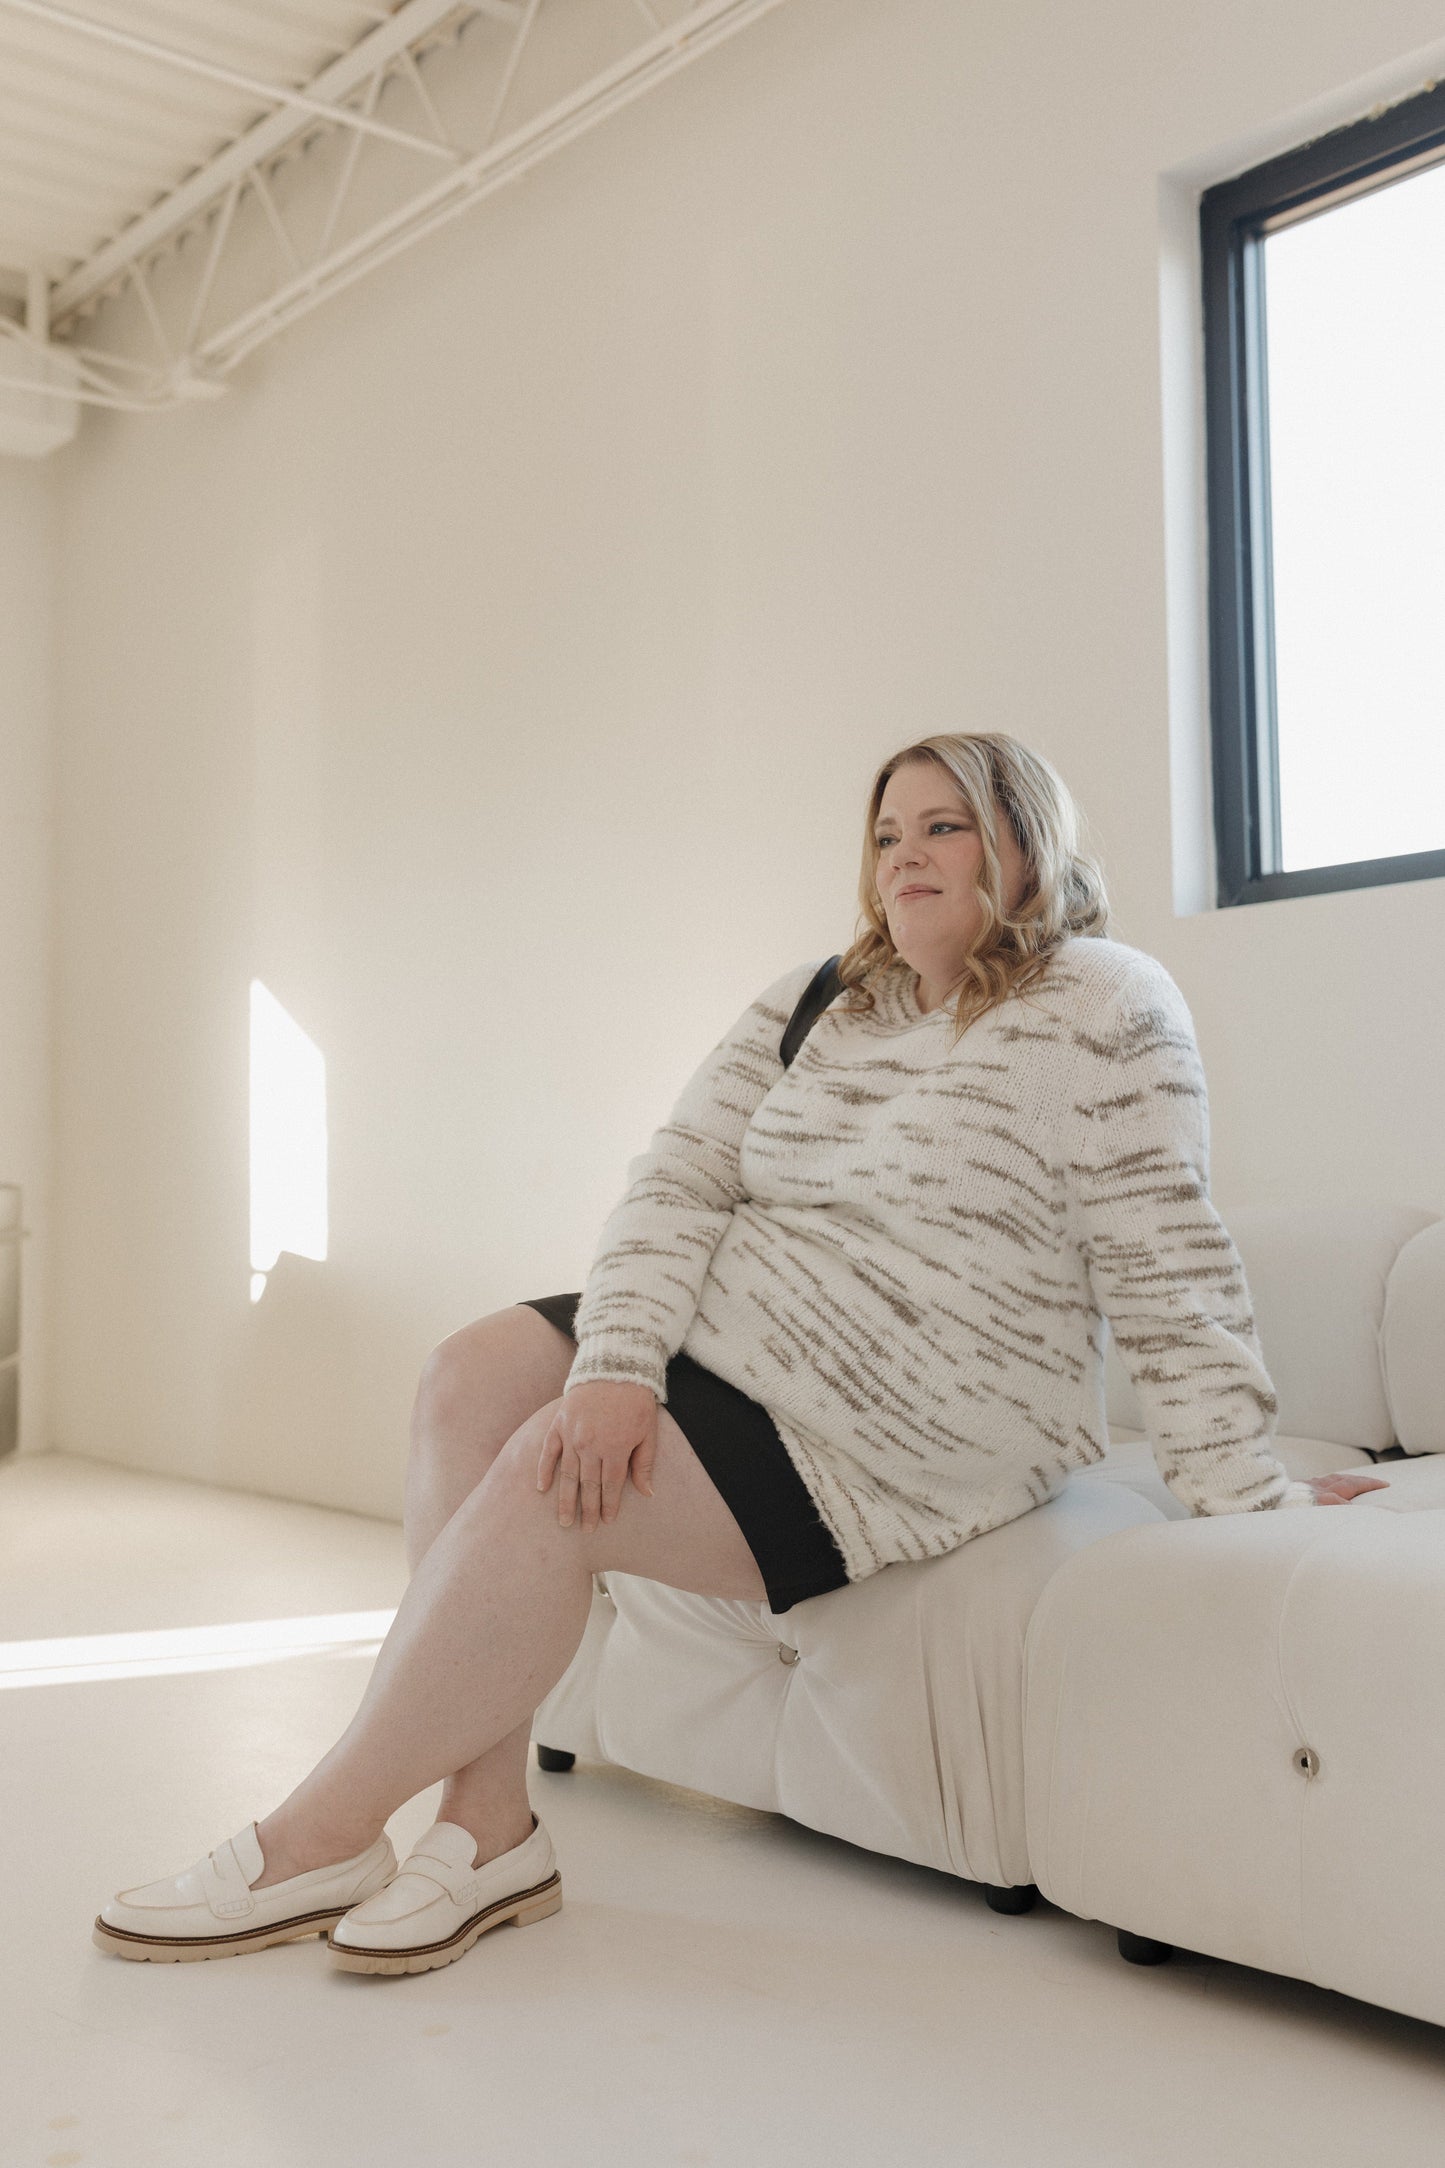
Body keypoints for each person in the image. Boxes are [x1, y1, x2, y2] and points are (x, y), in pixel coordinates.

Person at [94, 730, 1388, 1975]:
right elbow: (679, 1184)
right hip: (733, 1337)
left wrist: (1244, 1488)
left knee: (558, 1477)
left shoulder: (1105, 1003)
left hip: (911, 1424)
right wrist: (615, 1366)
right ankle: (488, 1828)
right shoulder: (822, 993)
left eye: (945, 824)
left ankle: (310, 1840)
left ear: (1026, 845)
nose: (905, 855)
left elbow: (1168, 1257)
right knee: (470, 1376)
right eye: (887, 831)